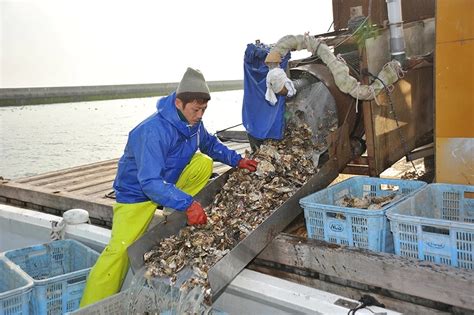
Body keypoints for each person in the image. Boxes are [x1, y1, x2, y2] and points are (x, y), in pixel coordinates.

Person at [80, 67, 258, 307]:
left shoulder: (193, 125)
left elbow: (210, 145)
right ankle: (90, 306)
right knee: (119, 252)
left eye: (203, 109)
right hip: (137, 193)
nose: (200, 114)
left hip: (165, 181)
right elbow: (150, 183)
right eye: (195, 109)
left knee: (202, 163)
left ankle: (171, 209)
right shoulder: (153, 131)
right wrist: (189, 203)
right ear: (178, 103)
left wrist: (237, 160)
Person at [241, 43, 295, 152]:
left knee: (257, 154)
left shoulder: (251, 64)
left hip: (252, 125)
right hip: (272, 128)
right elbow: (284, 91)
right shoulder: (277, 73)